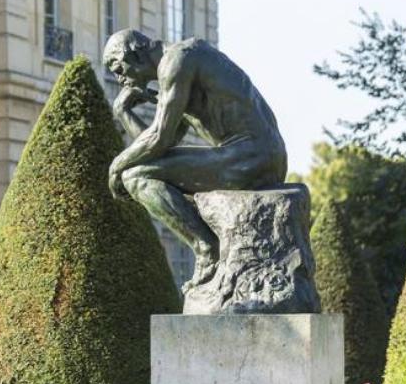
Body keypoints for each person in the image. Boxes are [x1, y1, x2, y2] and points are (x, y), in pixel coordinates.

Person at [103, 29, 287, 289]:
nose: (120, 78)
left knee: (134, 176)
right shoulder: (177, 68)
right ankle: (208, 247)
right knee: (138, 173)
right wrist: (122, 112)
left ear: (133, 53)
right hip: (252, 155)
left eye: (118, 68)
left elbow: (159, 138)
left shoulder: (178, 60)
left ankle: (206, 249)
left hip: (252, 156)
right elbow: (160, 147)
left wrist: (115, 166)